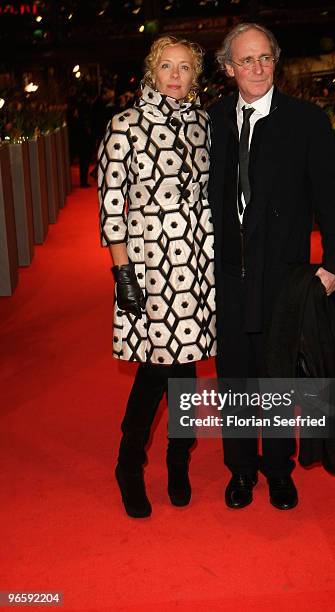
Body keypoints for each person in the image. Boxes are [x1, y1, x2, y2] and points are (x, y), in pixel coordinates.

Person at [208, 23, 335, 510]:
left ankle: (278, 469)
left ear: (276, 61)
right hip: (228, 275)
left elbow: (333, 199)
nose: (256, 68)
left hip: (283, 275)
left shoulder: (306, 120)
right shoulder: (213, 120)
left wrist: (334, 264)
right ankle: (242, 470)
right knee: (237, 377)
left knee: (276, 378)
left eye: (264, 58)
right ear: (228, 68)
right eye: (245, 60)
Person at [98, 36, 216, 518]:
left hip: (199, 264)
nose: (175, 74)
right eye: (166, 66)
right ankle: (129, 465)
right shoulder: (124, 125)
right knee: (154, 370)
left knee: (185, 368)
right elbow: (111, 207)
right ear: (151, 71)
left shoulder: (204, 123)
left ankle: (178, 460)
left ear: (196, 74)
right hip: (150, 264)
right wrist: (122, 272)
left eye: (185, 67)